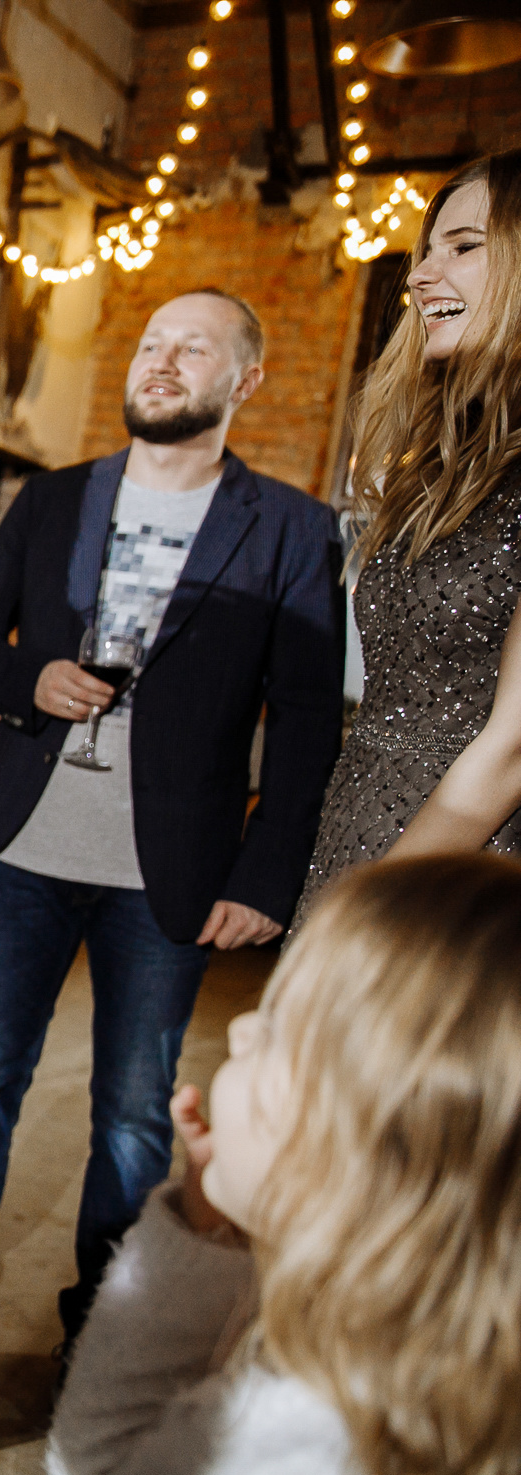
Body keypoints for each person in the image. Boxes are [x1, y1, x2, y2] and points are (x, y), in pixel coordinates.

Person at [0, 290, 343, 1376]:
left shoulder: (293, 530)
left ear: (245, 382)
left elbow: (310, 721)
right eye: (152, 343)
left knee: (134, 1110)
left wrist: (269, 869)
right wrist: (32, 676)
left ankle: (105, 1314)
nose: (163, 362)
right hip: (27, 843)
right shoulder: (52, 499)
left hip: (169, 871)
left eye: (194, 348)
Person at [0, 855, 521, 1475]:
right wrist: (211, 1225)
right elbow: (112, 1470)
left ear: (372, 1148)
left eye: (279, 1029)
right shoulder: (374, 1377)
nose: (243, 1026)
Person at [300, 151, 521, 911]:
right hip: (361, 828)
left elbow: (513, 750)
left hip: (460, 872)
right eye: (426, 251)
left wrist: (373, 908)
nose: (422, 275)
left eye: (463, 247)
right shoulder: (439, 469)